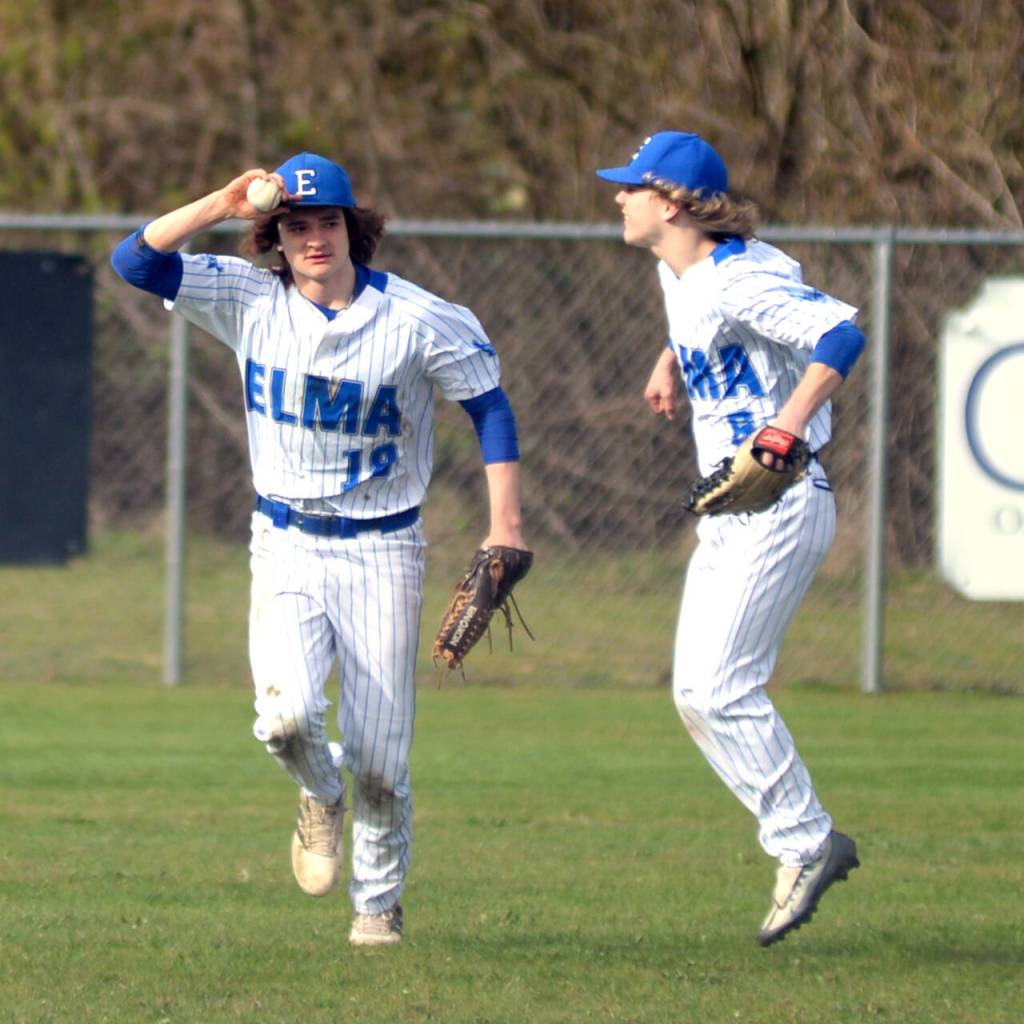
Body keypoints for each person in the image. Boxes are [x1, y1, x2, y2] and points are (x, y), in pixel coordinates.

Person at [111, 152, 528, 947]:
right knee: (286, 722)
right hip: (286, 541)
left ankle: (376, 905)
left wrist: (504, 523)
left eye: (326, 222)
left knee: (381, 757)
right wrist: (220, 204)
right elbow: (134, 260)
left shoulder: (415, 317)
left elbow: (489, 405)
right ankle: (318, 794)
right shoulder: (246, 300)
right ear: (275, 237)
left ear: (352, 228)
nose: (312, 239)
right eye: (295, 226)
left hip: (383, 548)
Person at [595, 131, 863, 947]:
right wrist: (670, 362)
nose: (618, 197)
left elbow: (841, 334)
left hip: (778, 497)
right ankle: (803, 840)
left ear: (671, 204)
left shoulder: (738, 274)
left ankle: (808, 842)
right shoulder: (679, 268)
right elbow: (704, 310)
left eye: (632, 187)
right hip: (730, 505)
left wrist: (787, 423)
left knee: (718, 690)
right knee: (693, 693)